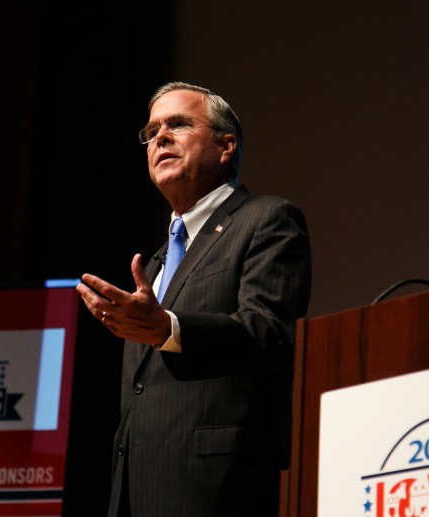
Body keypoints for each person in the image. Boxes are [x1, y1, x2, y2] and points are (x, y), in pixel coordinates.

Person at [75, 81, 312, 516]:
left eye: (178, 124)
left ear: (226, 146)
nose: (159, 137)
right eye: (151, 131)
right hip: (133, 493)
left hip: (216, 489)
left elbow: (269, 334)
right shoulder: (151, 266)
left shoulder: (267, 220)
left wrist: (169, 328)